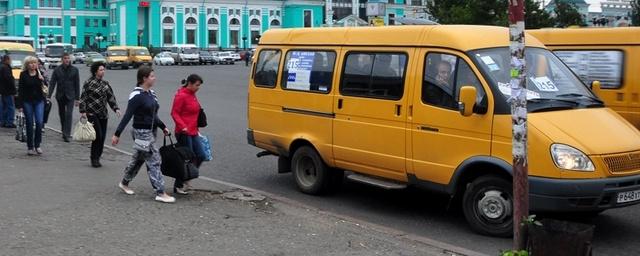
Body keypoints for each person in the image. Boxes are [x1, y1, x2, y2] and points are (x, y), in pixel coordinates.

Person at [111, 66, 175, 203]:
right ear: (144, 78)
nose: (154, 78)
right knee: (154, 158)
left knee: (139, 158)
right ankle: (160, 191)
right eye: (152, 76)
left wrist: (162, 126)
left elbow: (153, 115)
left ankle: (124, 182)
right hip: (141, 132)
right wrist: (117, 134)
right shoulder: (136, 95)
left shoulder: (151, 94)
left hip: (151, 130)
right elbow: (128, 116)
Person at [79, 62, 121, 168]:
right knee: (98, 136)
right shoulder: (88, 83)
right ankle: (94, 158)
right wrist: (83, 111)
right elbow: (83, 97)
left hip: (103, 114)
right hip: (92, 113)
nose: (103, 71)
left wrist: (116, 108)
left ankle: (98, 157)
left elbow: (111, 97)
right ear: (95, 71)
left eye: (104, 69)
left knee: (102, 138)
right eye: (101, 70)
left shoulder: (105, 83)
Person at [170, 74, 207, 195]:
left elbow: (195, 113)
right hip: (183, 132)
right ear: (190, 84)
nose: (198, 88)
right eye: (197, 85)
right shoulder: (181, 96)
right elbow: (174, 113)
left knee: (201, 155)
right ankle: (178, 185)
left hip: (193, 131)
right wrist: (183, 126)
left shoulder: (193, 95)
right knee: (186, 159)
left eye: (199, 85)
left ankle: (188, 175)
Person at [16, 56, 47, 155]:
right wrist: (20, 105)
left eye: (35, 63)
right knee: (29, 123)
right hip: (27, 101)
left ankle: (37, 145)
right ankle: (30, 146)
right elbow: (20, 91)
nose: (33, 65)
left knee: (39, 122)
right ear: (27, 65)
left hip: (39, 101)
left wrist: (42, 80)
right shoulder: (23, 74)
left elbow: (45, 87)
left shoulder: (40, 73)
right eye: (31, 63)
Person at [48, 53, 80, 142]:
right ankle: (63, 130)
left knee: (69, 114)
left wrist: (77, 98)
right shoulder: (57, 70)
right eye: (65, 58)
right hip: (60, 95)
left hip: (71, 95)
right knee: (62, 114)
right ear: (62, 59)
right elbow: (52, 83)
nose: (67, 60)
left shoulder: (74, 70)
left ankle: (67, 134)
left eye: (68, 58)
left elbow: (77, 84)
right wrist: (49, 96)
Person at [0, 55, 16, 128]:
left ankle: (3, 121)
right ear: (7, 60)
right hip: (8, 90)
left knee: (4, 107)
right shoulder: (6, 67)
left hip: (2, 90)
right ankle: (9, 122)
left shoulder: (1, 66)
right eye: (10, 60)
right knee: (10, 106)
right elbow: (9, 79)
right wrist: (14, 88)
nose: (11, 61)